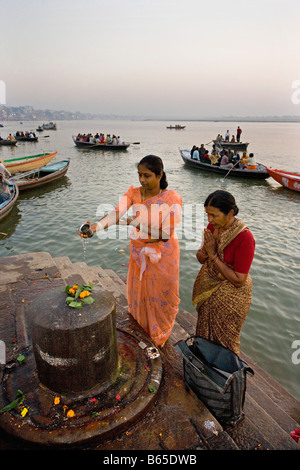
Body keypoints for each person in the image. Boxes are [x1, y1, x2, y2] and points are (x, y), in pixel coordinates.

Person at [80, 155, 182, 348]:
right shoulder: (133, 193)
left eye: (147, 175)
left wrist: (133, 222)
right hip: (139, 252)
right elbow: (116, 213)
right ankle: (143, 327)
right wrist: (95, 227)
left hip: (163, 255)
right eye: (139, 175)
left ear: (159, 175)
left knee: (161, 297)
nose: (142, 180)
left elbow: (165, 234)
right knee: (139, 294)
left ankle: (159, 332)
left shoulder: (172, 198)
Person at [192, 190, 255, 355]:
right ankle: (203, 370)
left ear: (230, 213)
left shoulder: (245, 238)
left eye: (214, 215)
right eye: (208, 215)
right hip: (209, 288)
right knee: (204, 334)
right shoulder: (213, 227)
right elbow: (200, 257)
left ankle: (223, 374)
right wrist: (205, 252)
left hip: (232, 297)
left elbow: (239, 279)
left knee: (225, 342)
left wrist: (212, 254)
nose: (210, 220)